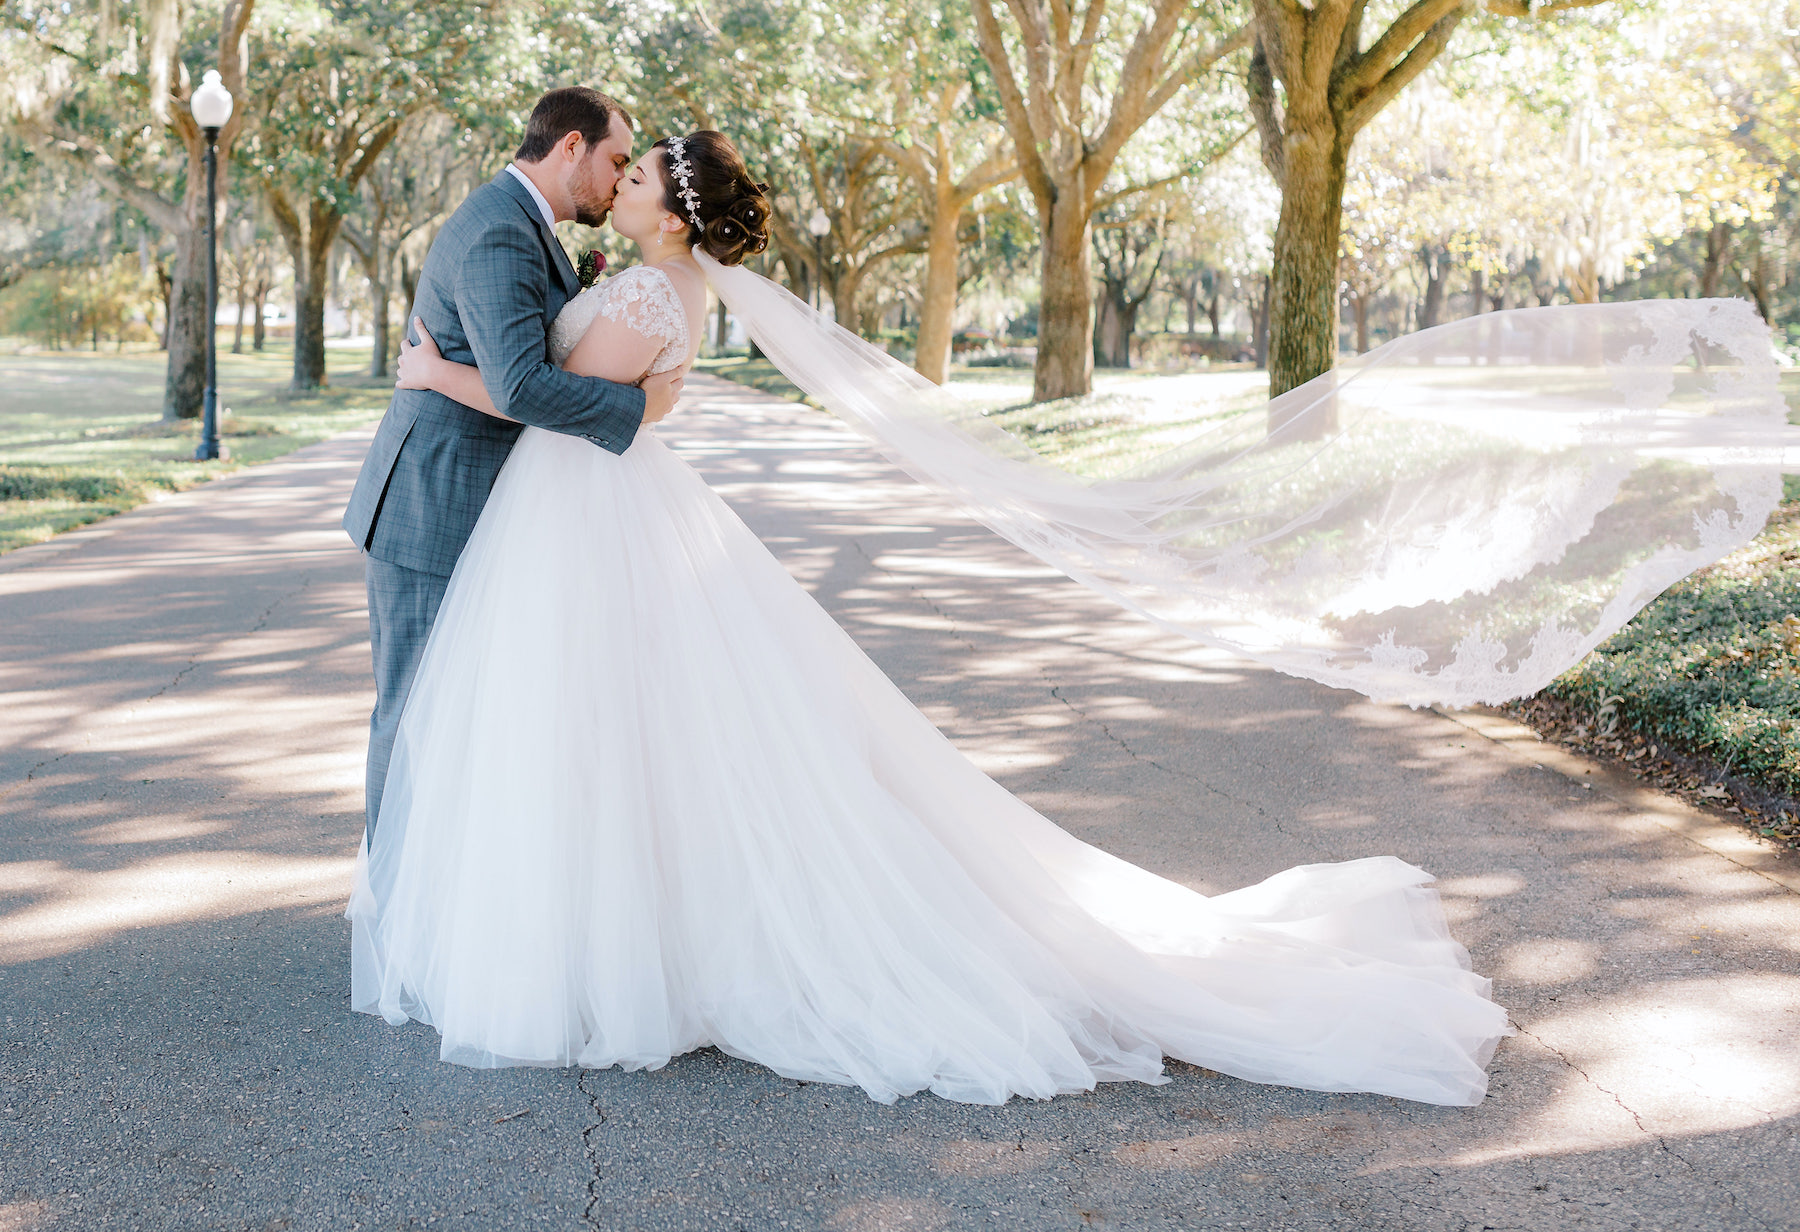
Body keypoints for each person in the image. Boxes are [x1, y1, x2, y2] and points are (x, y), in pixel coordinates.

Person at [348, 127, 1509, 1109]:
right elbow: (633, 397)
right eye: (623, 165)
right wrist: (639, 393)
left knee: (602, 724)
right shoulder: (653, 280)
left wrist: (441, 379)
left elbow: (574, 404)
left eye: (640, 173)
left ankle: (590, 942)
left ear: (671, 212)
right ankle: (598, 928)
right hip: (587, 515)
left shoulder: (651, 285)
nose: (624, 181)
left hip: (586, 512)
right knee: (624, 729)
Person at [342, 86, 686, 844]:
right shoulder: (501, 230)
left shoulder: (523, 224)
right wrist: (640, 410)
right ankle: (395, 908)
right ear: (571, 147)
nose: (618, 178)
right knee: (414, 712)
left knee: (459, 714)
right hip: (431, 510)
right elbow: (521, 384)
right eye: (615, 160)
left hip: (478, 508)